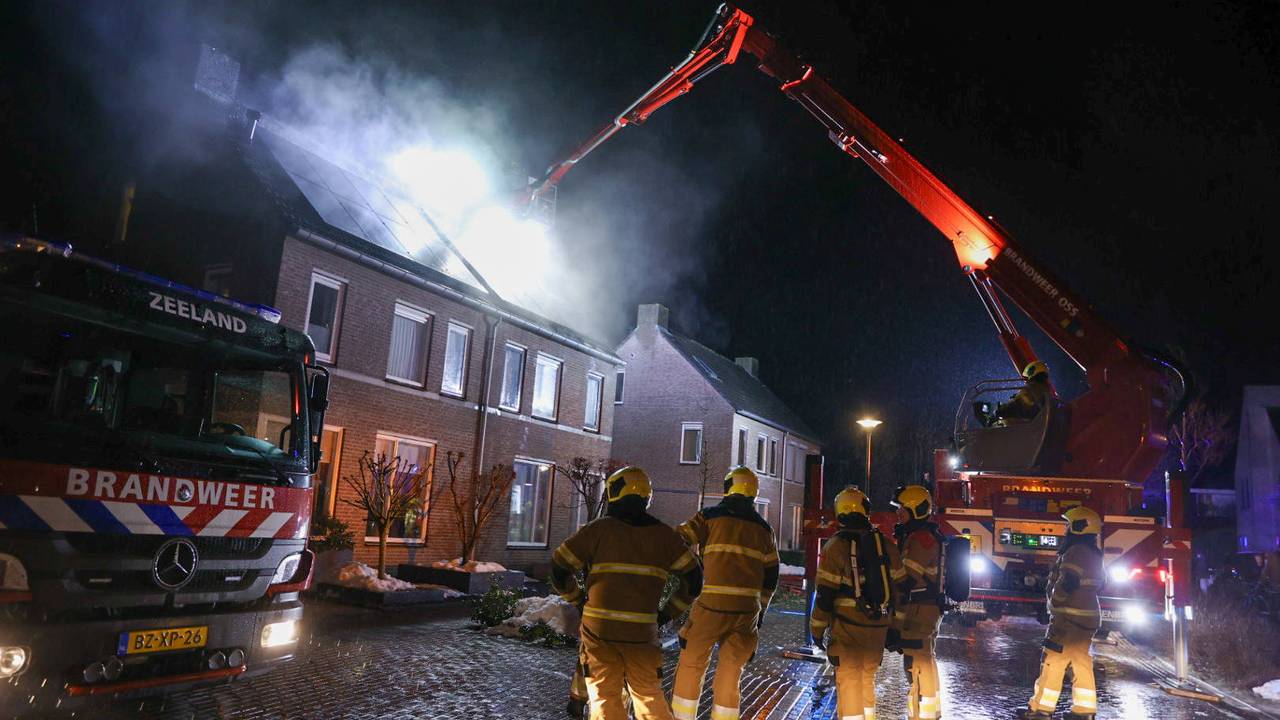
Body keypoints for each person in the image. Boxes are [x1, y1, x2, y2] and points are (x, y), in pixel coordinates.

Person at [549, 466, 703, 720]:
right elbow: (694, 580)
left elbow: (559, 567)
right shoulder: (665, 537)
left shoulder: (597, 530)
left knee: (605, 698)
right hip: (642, 634)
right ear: (646, 497)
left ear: (614, 493)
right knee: (649, 697)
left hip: (600, 631)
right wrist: (667, 614)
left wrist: (578, 601)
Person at [671, 466, 780, 720]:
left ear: (728, 487)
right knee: (731, 674)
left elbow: (677, 540)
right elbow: (771, 577)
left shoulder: (708, 517)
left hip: (710, 607)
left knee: (692, 665)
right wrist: (761, 610)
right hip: (745, 614)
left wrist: (691, 568)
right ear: (753, 493)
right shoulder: (764, 530)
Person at [811, 487, 906, 720]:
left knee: (850, 684)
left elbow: (824, 595)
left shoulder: (835, 547)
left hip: (847, 630)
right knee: (867, 681)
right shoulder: (885, 545)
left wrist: (816, 630)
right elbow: (901, 590)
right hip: (878, 628)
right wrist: (895, 628)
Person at [1018, 506, 1105, 720]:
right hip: (1087, 617)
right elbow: (1101, 584)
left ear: (1079, 527)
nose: (1066, 529)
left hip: (1069, 618)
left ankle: (1040, 710)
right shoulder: (1094, 554)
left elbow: (1069, 581)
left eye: (1069, 525)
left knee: (1053, 662)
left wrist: (1054, 600)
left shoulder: (1076, 551)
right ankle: (1084, 711)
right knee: (1080, 662)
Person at [890, 484, 945, 720]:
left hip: (922, 609)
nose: (898, 513)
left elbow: (906, 580)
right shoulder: (917, 535)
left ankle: (925, 715)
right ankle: (923, 713)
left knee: (920, 662)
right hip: (922, 608)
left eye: (902, 509)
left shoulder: (922, 538)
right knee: (918, 660)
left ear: (914, 509)